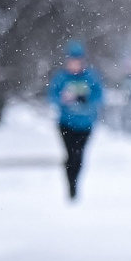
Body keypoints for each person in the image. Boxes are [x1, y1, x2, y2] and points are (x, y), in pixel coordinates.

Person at [46, 42, 103, 201]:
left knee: (79, 156)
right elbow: (52, 96)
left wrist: (85, 98)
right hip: (66, 124)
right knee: (70, 154)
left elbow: (100, 96)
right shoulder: (61, 78)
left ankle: (75, 182)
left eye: (77, 60)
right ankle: (70, 185)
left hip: (86, 125)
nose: (75, 64)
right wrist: (63, 99)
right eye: (72, 60)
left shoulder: (91, 77)